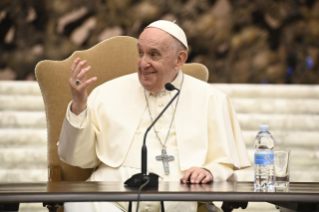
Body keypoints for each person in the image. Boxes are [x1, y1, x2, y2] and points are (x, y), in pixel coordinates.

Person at [58, 20, 251, 212]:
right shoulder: (107, 92)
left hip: (177, 201)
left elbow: (225, 163)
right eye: (140, 52)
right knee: (80, 204)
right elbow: (78, 157)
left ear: (179, 59)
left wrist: (209, 171)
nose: (143, 63)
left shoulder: (211, 99)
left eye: (154, 55)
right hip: (109, 197)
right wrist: (79, 105)